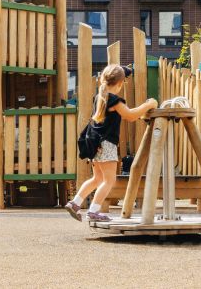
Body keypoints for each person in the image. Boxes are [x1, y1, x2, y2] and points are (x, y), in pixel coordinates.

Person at [64, 64, 157, 222]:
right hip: (106, 144)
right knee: (109, 180)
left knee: (97, 179)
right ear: (120, 83)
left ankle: (75, 203)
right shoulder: (114, 100)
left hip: (95, 143)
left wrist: (123, 71)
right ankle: (93, 211)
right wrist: (148, 105)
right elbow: (130, 115)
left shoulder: (100, 97)